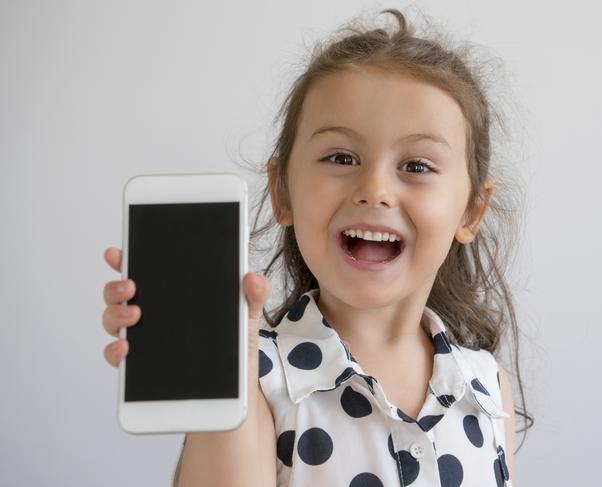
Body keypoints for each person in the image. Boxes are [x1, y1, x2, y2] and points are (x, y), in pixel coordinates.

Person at [101, 7, 533, 486]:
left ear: (471, 212)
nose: (375, 188)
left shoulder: (488, 387)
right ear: (283, 191)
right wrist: (221, 364)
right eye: (341, 157)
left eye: (417, 166)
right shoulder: (254, 380)